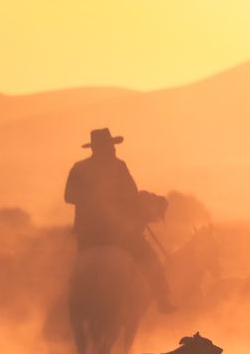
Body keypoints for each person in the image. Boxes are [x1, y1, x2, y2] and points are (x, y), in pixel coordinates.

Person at [64, 128, 177, 313]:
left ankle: (72, 307)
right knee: (147, 257)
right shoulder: (118, 166)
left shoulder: (79, 168)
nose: (114, 149)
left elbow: (68, 196)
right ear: (106, 147)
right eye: (111, 146)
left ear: (93, 148)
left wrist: (90, 197)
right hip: (116, 233)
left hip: (87, 235)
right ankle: (162, 298)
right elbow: (132, 195)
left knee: (75, 270)